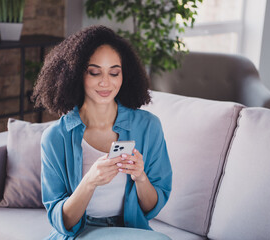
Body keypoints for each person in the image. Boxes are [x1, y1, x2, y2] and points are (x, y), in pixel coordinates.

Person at [32, 25, 172, 240]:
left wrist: (140, 177)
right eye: (95, 72)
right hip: (80, 233)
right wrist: (90, 181)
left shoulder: (148, 127)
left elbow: (152, 208)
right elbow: (63, 222)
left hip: (129, 230)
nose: (106, 82)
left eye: (114, 72)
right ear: (76, 74)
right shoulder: (56, 137)